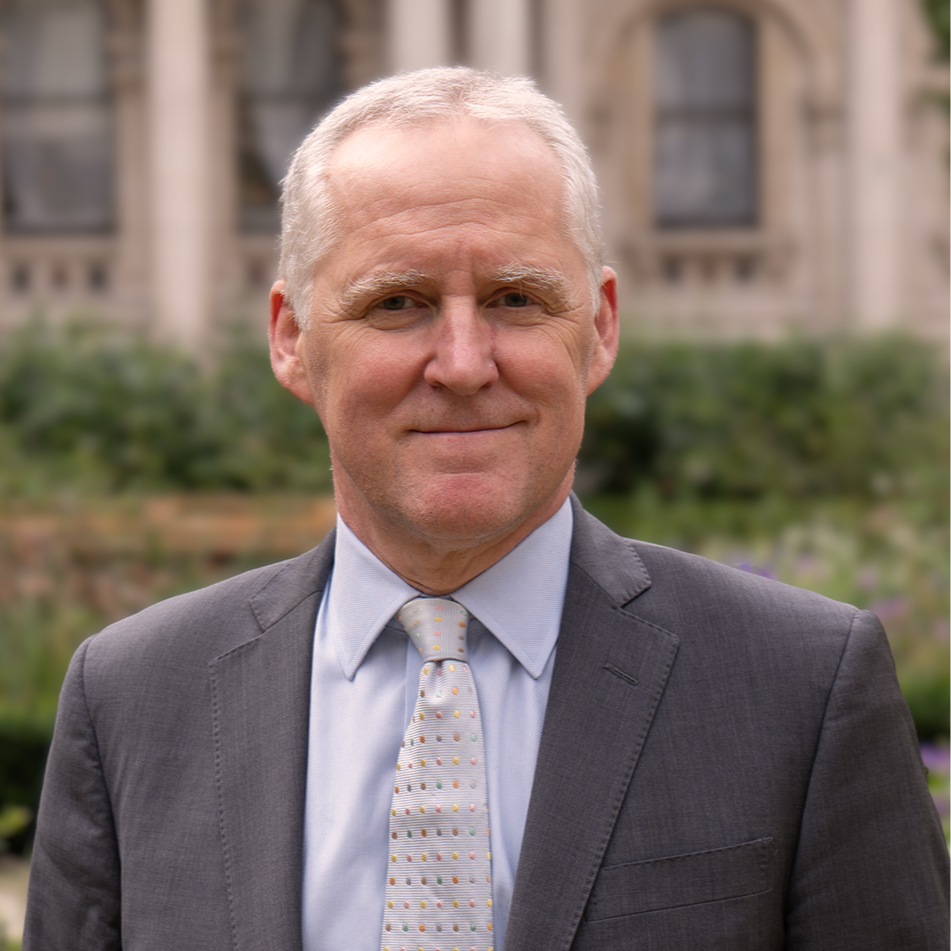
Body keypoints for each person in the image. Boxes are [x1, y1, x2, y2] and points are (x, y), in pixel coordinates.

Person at [24, 67, 950, 951]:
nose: (464, 364)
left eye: (516, 298)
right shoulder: (131, 699)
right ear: (292, 339)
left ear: (599, 327)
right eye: (397, 303)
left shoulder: (800, 688)